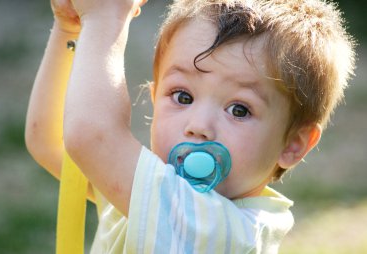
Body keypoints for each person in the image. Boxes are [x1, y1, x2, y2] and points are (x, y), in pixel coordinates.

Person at [25, 0, 356, 253]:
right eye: (182, 96)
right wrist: (69, 30)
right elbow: (53, 141)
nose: (199, 127)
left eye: (239, 109)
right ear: (155, 97)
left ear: (293, 144)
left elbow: (90, 137)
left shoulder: (222, 232)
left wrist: (105, 18)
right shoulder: (147, 186)